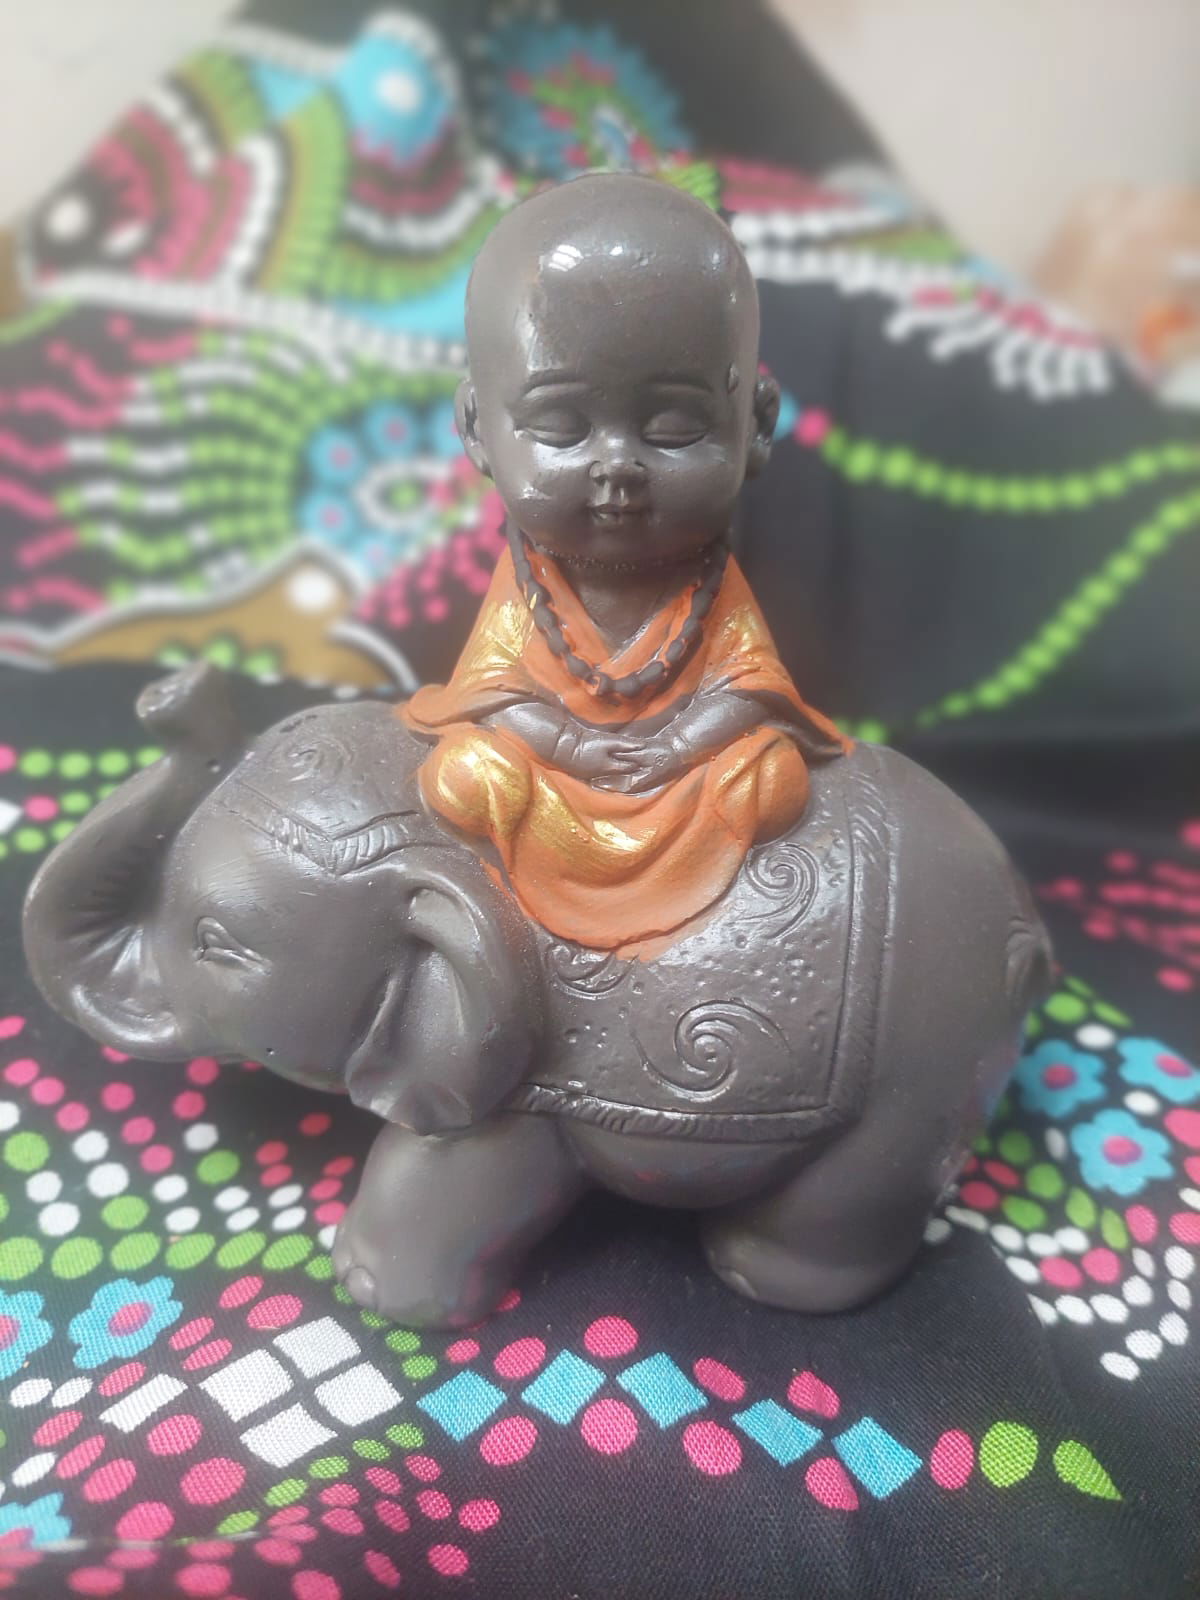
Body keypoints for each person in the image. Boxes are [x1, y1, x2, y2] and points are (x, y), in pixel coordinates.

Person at [402, 173, 849, 954]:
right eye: (560, 427)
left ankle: (698, 912)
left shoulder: (707, 584)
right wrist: (569, 746)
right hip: (549, 778)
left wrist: (678, 747)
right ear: (476, 427)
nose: (618, 465)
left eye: (673, 429)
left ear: (756, 425)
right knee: (464, 777)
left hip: (686, 783)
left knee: (769, 780)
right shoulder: (531, 581)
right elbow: (491, 690)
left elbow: (751, 686)